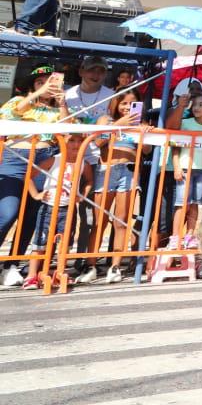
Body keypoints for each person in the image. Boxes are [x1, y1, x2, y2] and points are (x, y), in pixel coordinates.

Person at [0, 66, 67, 287]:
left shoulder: (57, 110)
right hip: (15, 158)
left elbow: (68, 131)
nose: (47, 86)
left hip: (43, 159)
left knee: (32, 216)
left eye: (51, 82)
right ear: (32, 85)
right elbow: (13, 112)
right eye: (41, 82)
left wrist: (63, 102)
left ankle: (12, 265)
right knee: (8, 212)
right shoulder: (19, 100)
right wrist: (39, 93)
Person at [63, 54, 114, 282]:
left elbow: (108, 130)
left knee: (89, 216)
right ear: (82, 71)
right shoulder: (68, 94)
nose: (96, 75)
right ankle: (58, 259)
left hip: (95, 161)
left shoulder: (111, 95)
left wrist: (95, 137)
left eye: (101, 71)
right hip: (68, 160)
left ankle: (83, 260)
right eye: (92, 70)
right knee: (64, 212)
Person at [23, 132, 92, 290]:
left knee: (64, 244)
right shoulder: (54, 160)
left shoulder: (84, 163)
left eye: (80, 141)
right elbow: (29, 175)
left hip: (68, 209)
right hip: (48, 207)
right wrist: (36, 194)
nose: (76, 144)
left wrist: (82, 195)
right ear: (61, 141)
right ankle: (32, 275)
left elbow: (89, 180)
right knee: (40, 243)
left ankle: (60, 271)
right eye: (71, 140)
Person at [91, 91, 143, 283]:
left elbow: (145, 150)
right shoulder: (105, 119)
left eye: (133, 104)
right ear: (116, 103)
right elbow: (98, 141)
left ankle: (115, 266)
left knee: (121, 222)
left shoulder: (139, 123)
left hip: (129, 171)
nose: (128, 108)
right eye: (124, 103)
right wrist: (117, 126)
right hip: (106, 169)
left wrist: (143, 133)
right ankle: (91, 264)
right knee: (99, 221)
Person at [165, 91, 202, 250]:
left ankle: (190, 235)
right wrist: (176, 165)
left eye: (201, 104)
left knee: (195, 202)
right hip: (185, 167)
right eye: (194, 104)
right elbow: (175, 145)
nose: (196, 107)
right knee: (182, 203)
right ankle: (175, 237)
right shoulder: (186, 123)